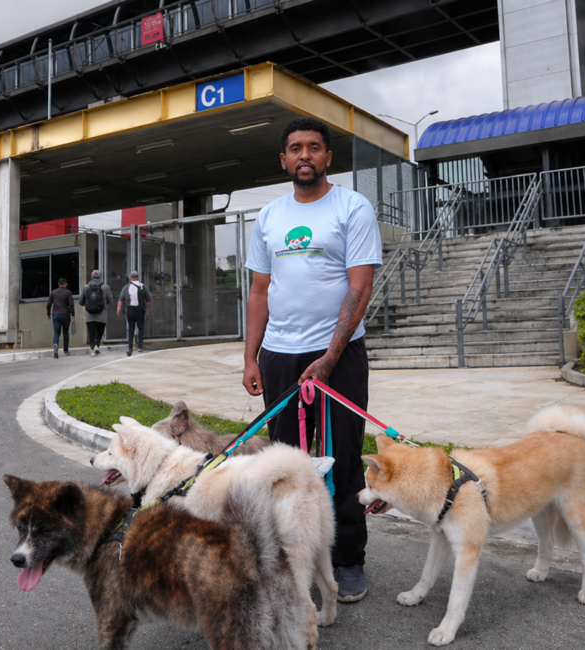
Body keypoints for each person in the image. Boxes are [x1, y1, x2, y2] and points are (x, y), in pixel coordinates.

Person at [241, 116, 382, 604]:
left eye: (314, 148)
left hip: (338, 358)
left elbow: (360, 286)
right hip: (280, 355)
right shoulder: (269, 217)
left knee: (342, 460)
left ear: (328, 158)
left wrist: (329, 357)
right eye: (296, 148)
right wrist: (251, 359)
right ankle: (292, 562)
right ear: (283, 160)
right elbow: (259, 291)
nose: (305, 155)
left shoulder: (352, 207)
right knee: (287, 465)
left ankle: (347, 562)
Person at [116, 270, 151, 357]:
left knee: (131, 329)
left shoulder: (126, 287)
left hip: (130, 310)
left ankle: (130, 347)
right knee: (140, 328)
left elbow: (121, 299)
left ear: (130, 278)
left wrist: (118, 308)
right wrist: (147, 310)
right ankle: (140, 347)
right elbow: (149, 300)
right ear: (138, 277)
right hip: (140, 310)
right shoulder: (143, 286)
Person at [80, 269, 113, 356]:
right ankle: (97, 346)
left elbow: (81, 302)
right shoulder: (105, 287)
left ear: (92, 277)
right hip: (102, 315)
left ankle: (92, 349)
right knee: (99, 333)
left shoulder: (86, 287)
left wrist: (89, 305)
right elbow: (111, 301)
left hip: (89, 315)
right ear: (101, 277)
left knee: (91, 333)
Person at [46, 277, 75, 358]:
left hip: (55, 315)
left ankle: (55, 345)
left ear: (58, 284)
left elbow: (48, 304)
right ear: (65, 284)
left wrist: (48, 314)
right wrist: (73, 315)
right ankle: (66, 350)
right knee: (65, 332)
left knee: (56, 332)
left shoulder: (53, 292)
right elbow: (71, 305)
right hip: (65, 315)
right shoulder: (68, 292)